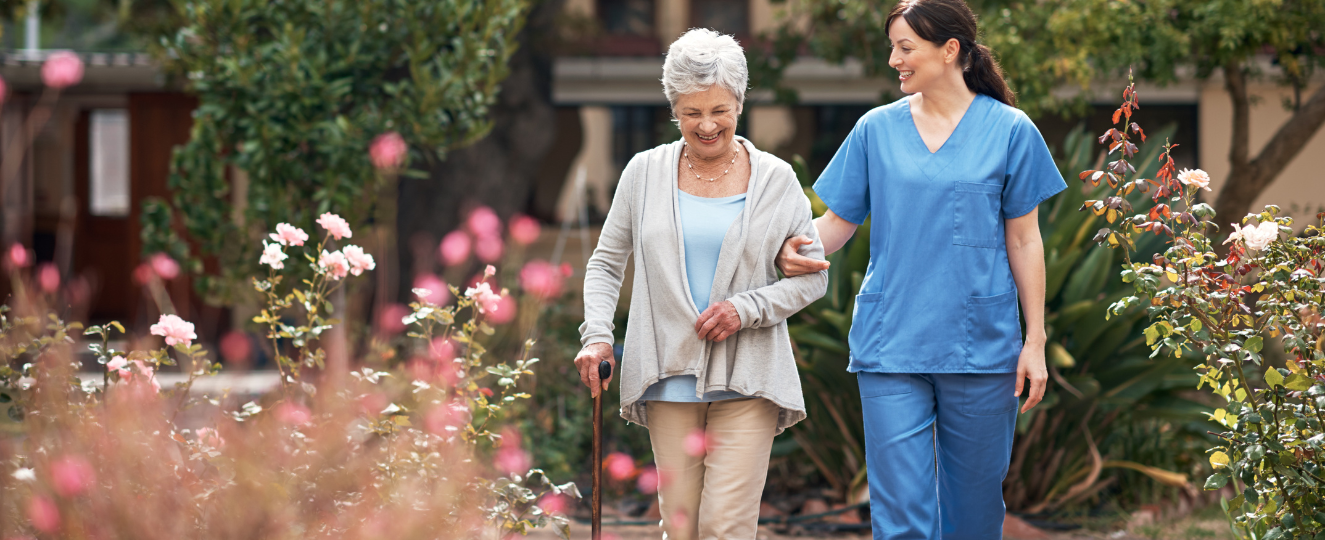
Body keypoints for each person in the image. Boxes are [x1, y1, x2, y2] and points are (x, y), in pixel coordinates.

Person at [775, 0, 1067, 537]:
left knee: (974, 510)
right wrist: (786, 248)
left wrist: (1035, 340)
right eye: (893, 47)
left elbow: (1025, 240)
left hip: (981, 345)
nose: (894, 60)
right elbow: (836, 224)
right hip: (892, 343)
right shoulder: (875, 130)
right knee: (900, 512)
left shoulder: (1010, 130)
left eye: (905, 48)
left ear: (950, 50)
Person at [574, 28, 828, 540]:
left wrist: (746, 308)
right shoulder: (643, 173)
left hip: (749, 376)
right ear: (674, 109)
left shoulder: (776, 179)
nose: (707, 125)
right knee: (682, 524)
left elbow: (811, 279)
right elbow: (606, 263)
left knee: (725, 526)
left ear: (739, 101)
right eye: (692, 113)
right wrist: (597, 334)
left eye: (719, 110)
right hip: (667, 374)